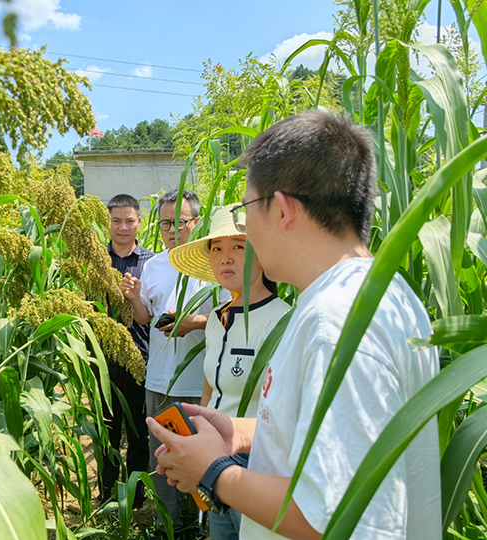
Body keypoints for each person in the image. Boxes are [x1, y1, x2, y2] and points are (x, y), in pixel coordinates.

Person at [147, 110, 441, 540]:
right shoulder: (371, 293)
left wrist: (213, 473)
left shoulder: (336, 321)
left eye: (248, 210)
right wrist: (239, 432)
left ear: (282, 209)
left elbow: (335, 516)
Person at [167, 203, 291, 540]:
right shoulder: (216, 321)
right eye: (217, 249)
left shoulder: (282, 321)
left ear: (262, 254)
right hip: (214, 457)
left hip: (258, 463)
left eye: (239, 247)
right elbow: (210, 390)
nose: (226, 257)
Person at [121, 189, 229, 536]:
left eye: (179, 222)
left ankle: (210, 527)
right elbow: (144, 318)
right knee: (162, 460)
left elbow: (231, 315)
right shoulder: (153, 265)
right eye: (165, 223)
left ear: (195, 223)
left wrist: (191, 323)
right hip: (160, 380)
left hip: (201, 384)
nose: (171, 230)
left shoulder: (213, 264)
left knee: (209, 460)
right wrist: (136, 299)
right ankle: (168, 526)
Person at [98, 194, 155, 507]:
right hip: (101, 359)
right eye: (116, 220)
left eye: (129, 220)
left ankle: (136, 499)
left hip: (138, 358)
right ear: (108, 222)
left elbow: (153, 312)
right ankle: (106, 496)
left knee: (137, 431)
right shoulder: (96, 261)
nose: (123, 227)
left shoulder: (152, 262)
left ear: (139, 222)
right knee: (107, 429)